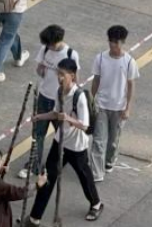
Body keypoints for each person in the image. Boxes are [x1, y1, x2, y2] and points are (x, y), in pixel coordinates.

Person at [25, 57, 104, 225]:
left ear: (72, 76)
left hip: (76, 146)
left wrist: (67, 118)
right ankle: (34, 218)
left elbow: (84, 125)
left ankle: (96, 204)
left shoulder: (79, 96)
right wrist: (39, 117)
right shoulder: (58, 91)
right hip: (59, 142)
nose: (59, 78)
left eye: (63, 74)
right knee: (47, 178)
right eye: (58, 74)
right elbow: (55, 113)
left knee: (84, 176)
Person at [21, 24, 81, 179]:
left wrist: (73, 102)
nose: (48, 47)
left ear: (57, 41)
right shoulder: (45, 49)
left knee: (62, 134)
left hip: (61, 101)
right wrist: (42, 69)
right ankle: (34, 165)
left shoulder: (70, 54)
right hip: (44, 97)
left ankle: (59, 162)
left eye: (50, 44)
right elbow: (39, 70)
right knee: (38, 133)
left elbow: (75, 79)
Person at [88, 25, 139, 182]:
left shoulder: (129, 62)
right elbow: (96, 80)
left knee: (113, 141)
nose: (112, 45)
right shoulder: (100, 58)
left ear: (122, 42)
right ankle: (97, 173)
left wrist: (128, 108)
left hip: (119, 108)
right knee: (98, 140)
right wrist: (91, 101)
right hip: (101, 106)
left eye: (116, 42)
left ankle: (109, 160)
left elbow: (131, 86)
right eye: (110, 41)